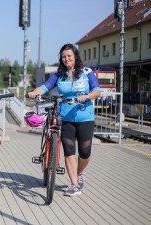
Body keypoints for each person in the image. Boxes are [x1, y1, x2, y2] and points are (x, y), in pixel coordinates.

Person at [27, 43, 101, 197]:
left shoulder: (87, 72)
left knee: (85, 152)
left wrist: (87, 96)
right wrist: (34, 92)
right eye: (64, 57)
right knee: (69, 151)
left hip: (85, 116)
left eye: (69, 56)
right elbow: (45, 87)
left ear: (75, 57)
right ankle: (74, 184)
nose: (67, 59)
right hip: (66, 117)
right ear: (61, 58)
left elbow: (97, 90)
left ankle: (79, 172)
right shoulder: (58, 75)